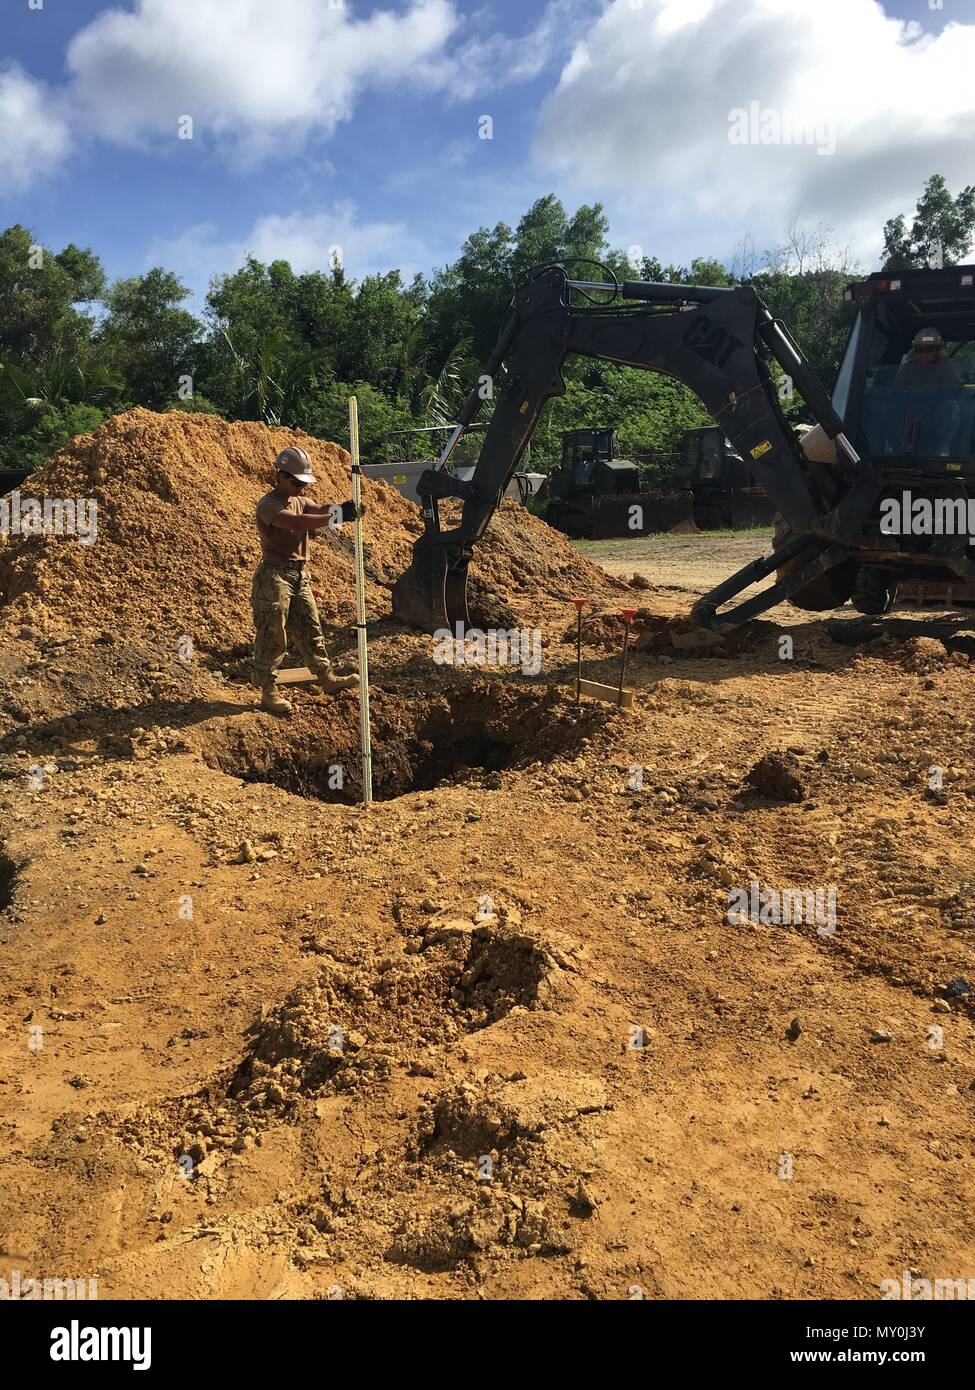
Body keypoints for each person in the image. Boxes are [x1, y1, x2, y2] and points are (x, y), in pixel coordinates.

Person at [252, 446, 361, 716]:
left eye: (305, 483)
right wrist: (338, 516)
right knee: (273, 634)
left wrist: (343, 509)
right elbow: (299, 523)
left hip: (299, 575)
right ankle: (268, 690)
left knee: (311, 628)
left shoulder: (300, 499)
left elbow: (319, 510)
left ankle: (326, 678)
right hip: (274, 575)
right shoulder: (269, 505)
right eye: (298, 482)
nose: (302, 487)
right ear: (281, 476)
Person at [895, 327, 960, 388]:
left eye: (929, 350)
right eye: (919, 350)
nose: (923, 354)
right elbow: (898, 394)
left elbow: (952, 393)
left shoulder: (946, 367)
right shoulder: (906, 369)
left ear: (937, 351)